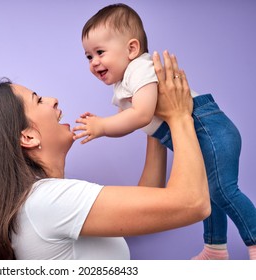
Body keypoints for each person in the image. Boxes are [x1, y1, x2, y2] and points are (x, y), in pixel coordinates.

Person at [0, 51, 210, 260]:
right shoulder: (47, 201)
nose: (53, 99)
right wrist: (178, 116)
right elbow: (193, 203)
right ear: (28, 136)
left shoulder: (38, 205)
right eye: (38, 100)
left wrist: (151, 120)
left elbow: (150, 202)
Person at [75, 3, 256, 260]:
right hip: (201, 134)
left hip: (210, 128)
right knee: (208, 192)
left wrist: (102, 126)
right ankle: (215, 249)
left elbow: (142, 114)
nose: (94, 62)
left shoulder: (140, 68)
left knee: (223, 190)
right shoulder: (123, 82)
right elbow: (129, 120)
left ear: (132, 49)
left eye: (100, 52)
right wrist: (105, 124)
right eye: (88, 56)